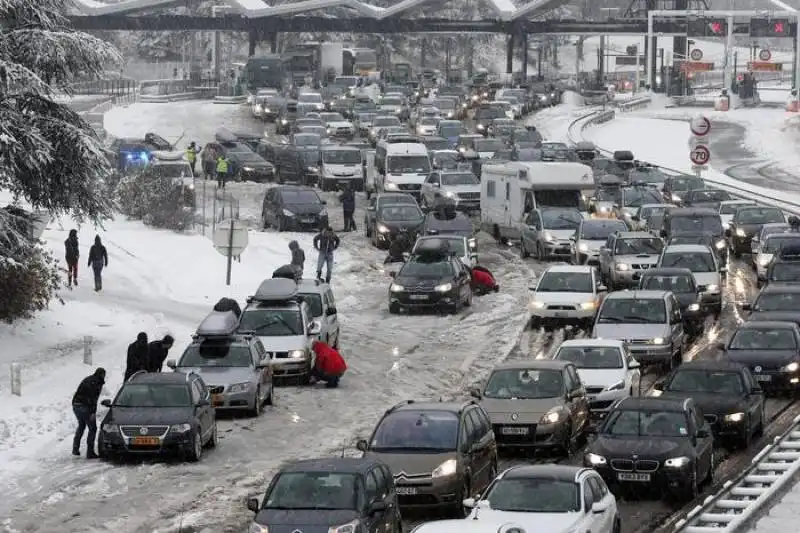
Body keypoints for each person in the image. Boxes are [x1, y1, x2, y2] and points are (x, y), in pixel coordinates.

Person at [72, 367, 106, 458]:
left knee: (81, 425)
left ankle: (75, 449)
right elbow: (93, 398)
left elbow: (79, 392)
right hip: (85, 406)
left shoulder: (88, 379)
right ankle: (90, 452)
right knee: (93, 428)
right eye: (103, 375)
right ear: (102, 375)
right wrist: (92, 412)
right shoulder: (96, 383)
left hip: (76, 404)